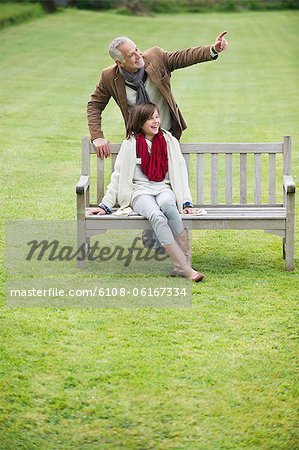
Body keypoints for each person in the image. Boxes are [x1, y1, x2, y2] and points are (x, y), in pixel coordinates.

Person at [88, 102, 205, 282]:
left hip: (164, 188)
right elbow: (118, 176)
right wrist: (105, 204)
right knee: (156, 216)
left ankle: (182, 264)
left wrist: (187, 202)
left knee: (169, 207)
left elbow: (181, 174)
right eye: (151, 118)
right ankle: (186, 269)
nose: (156, 121)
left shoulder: (169, 141)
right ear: (140, 121)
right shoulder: (131, 144)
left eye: (157, 117)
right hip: (140, 192)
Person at [87, 33, 228, 159]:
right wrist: (97, 137)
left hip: (169, 137)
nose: (138, 55)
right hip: (139, 142)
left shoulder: (156, 57)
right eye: (131, 55)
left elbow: (184, 56)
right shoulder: (109, 77)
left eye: (136, 49)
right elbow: (94, 105)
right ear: (119, 63)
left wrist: (212, 50)